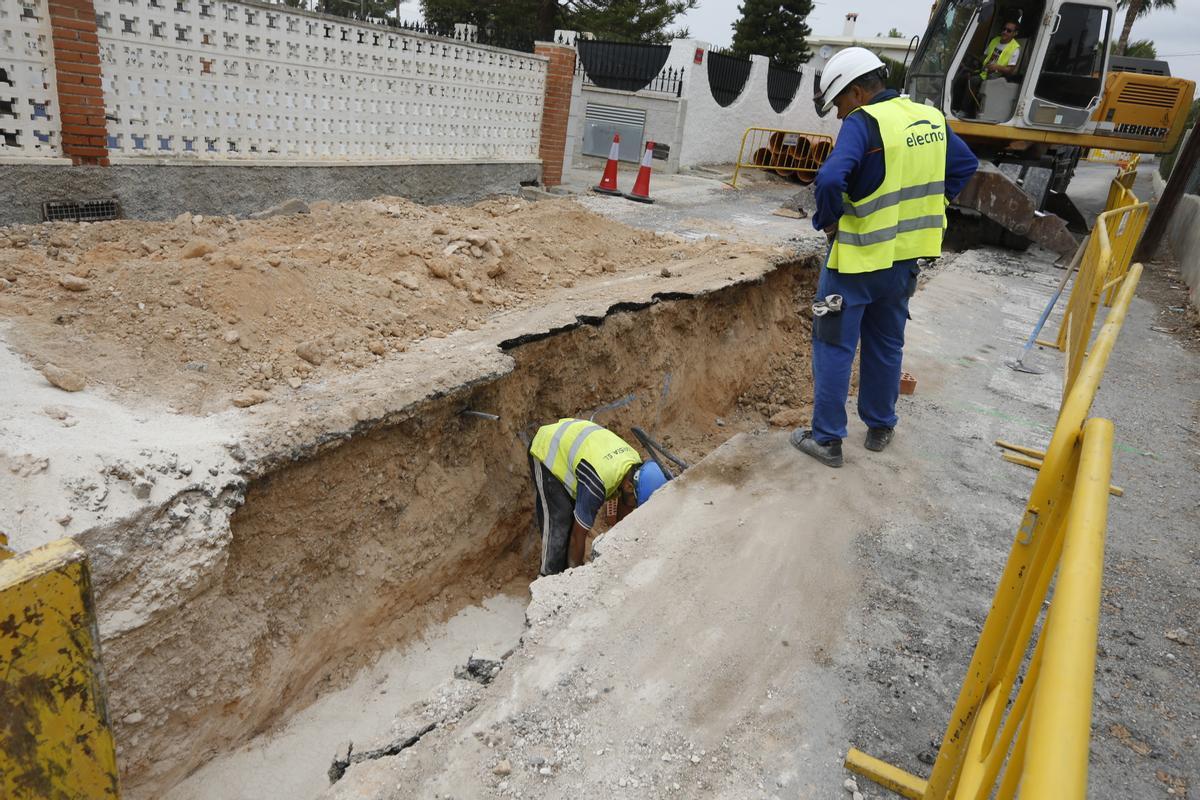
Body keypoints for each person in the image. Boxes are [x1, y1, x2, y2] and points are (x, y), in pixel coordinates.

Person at [793, 47, 978, 468]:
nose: (839, 115)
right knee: (886, 343)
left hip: (856, 262)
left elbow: (829, 179)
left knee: (834, 344)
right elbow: (965, 165)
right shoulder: (930, 118)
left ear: (857, 92)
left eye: (839, 103)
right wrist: (936, 202)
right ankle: (880, 426)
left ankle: (827, 440)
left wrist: (829, 221)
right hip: (905, 262)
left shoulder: (864, 122)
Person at [528, 418, 668, 575]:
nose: (634, 506)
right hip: (548, 447)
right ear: (629, 486)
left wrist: (620, 545)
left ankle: (563, 568)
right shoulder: (598, 483)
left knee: (573, 512)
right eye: (636, 502)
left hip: (578, 445)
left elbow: (626, 506)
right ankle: (548, 576)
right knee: (559, 519)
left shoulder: (633, 468)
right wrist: (575, 576)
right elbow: (577, 536)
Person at [955, 20, 1022, 118]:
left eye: (1009, 31)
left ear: (1015, 33)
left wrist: (996, 67)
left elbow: (1010, 70)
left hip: (997, 76)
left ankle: (964, 111)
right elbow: (984, 56)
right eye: (1004, 29)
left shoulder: (1015, 48)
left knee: (972, 81)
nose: (1005, 32)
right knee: (961, 77)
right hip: (984, 71)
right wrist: (975, 64)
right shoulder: (995, 40)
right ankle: (956, 108)